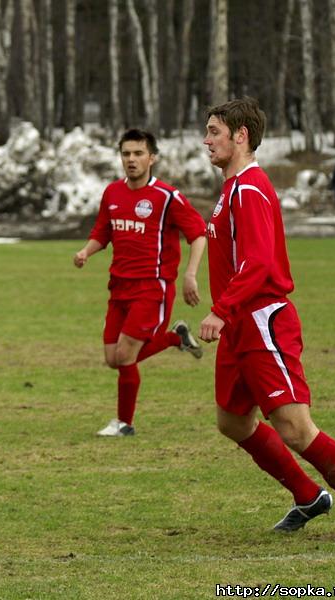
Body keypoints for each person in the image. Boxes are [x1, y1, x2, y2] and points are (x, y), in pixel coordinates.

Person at [200, 97, 335, 542]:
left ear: (241, 136)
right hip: (239, 325)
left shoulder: (248, 189)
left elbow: (259, 263)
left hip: (261, 320)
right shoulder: (233, 188)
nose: (206, 140)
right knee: (233, 422)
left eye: (214, 131)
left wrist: (220, 310)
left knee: (295, 428)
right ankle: (308, 496)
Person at [73, 128, 207, 437]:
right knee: (112, 359)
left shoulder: (168, 197)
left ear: (152, 158)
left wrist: (190, 275)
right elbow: (103, 232)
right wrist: (85, 252)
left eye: (138, 153)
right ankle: (175, 338)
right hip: (119, 287)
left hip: (152, 287)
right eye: (126, 154)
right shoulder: (112, 193)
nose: (131, 159)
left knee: (125, 356)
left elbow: (198, 234)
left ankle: (124, 424)